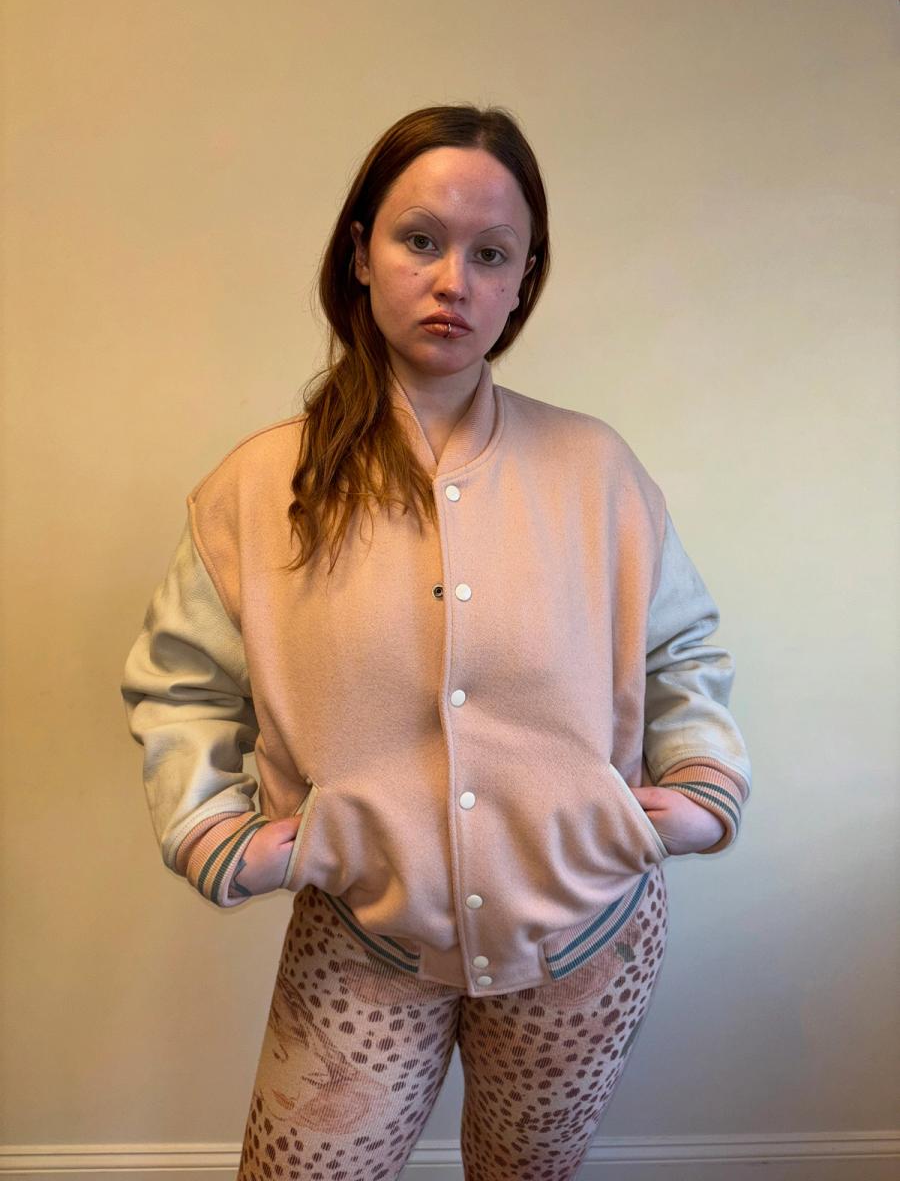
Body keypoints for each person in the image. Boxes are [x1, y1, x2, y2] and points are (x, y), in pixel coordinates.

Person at [121, 103, 751, 1181]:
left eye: (490, 254)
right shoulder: (257, 488)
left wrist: (703, 784)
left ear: (522, 281)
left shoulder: (596, 471)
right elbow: (180, 685)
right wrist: (212, 831)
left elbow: (681, 651)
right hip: (363, 938)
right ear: (360, 251)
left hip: (586, 941)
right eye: (420, 240)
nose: (454, 280)